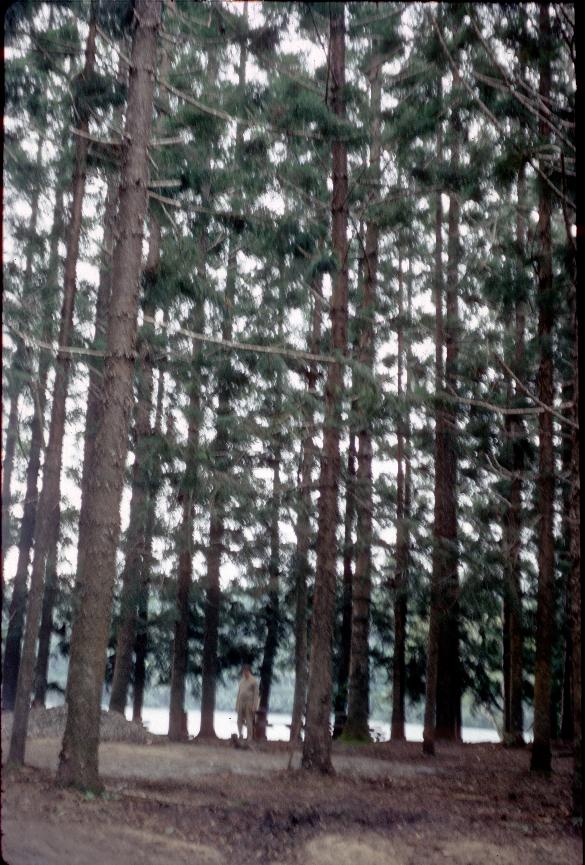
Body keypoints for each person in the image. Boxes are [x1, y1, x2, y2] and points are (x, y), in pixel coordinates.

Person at [236, 665, 259, 741]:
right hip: (241, 702)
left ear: (249, 671)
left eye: (246, 671)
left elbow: (256, 695)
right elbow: (239, 693)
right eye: (243, 671)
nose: (244, 673)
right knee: (239, 720)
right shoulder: (242, 680)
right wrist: (237, 704)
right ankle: (240, 735)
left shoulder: (253, 681)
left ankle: (249, 737)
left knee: (249, 720)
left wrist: (254, 706)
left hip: (249, 703)